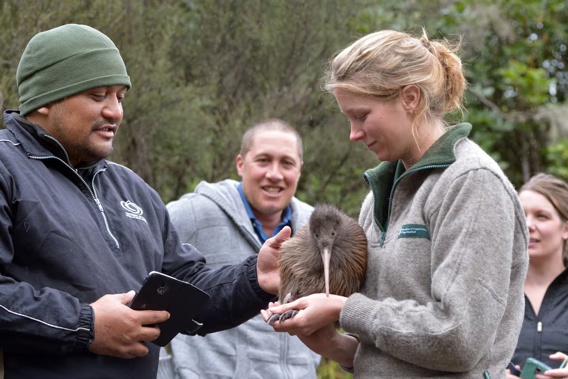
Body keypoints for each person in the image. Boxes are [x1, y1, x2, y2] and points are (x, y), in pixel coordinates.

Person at [0, 24, 286, 379]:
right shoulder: (6, 167)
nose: (115, 112)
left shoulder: (131, 188)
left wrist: (255, 280)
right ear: (45, 98)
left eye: (120, 97)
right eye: (98, 95)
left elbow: (189, 293)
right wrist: (85, 325)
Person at [262, 29, 529, 378]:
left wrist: (344, 309)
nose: (353, 133)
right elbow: (385, 351)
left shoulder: (471, 183)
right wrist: (328, 341)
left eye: (361, 115)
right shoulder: (378, 197)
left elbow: (459, 340)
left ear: (411, 98)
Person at [160, 119, 320, 378]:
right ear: (240, 164)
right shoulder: (195, 213)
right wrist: (161, 371)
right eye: (263, 160)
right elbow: (131, 270)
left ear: (299, 169)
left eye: (286, 163)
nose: (275, 174)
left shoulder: (316, 229)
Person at [507, 173, 568, 378]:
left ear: (566, 228)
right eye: (521, 215)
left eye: (542, 216)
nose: (528, 225)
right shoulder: (495, 291)